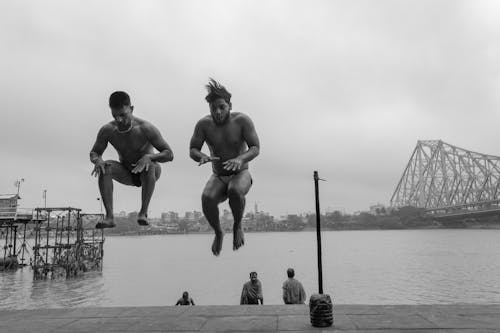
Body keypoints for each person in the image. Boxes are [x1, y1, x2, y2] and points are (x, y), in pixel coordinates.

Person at [189, 79, 260, 255]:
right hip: (219, 176)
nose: (218, 112)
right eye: (213, 108)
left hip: (240, 173)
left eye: (221, 107)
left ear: (229, 105)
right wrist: (201, 156)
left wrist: (241, 159)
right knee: (206, 198)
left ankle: (237, 226)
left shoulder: (242, 121)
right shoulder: (203, 125)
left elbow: (255, 147)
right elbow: (193, 149)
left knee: (235, 191)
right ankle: (219, 232)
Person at [90, 91, 173, 228]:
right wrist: (98, 160)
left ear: (131, 109)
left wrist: (148, 157)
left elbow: (169, 154)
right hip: (127, 172)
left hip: (149, 172)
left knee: (150, 165)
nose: (119, 120)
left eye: (123, 115)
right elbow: (95, 152)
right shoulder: (108, 130)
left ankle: (143, 213)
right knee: (106, 167)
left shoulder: (145, 128)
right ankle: (110, 217)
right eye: (115, 116)